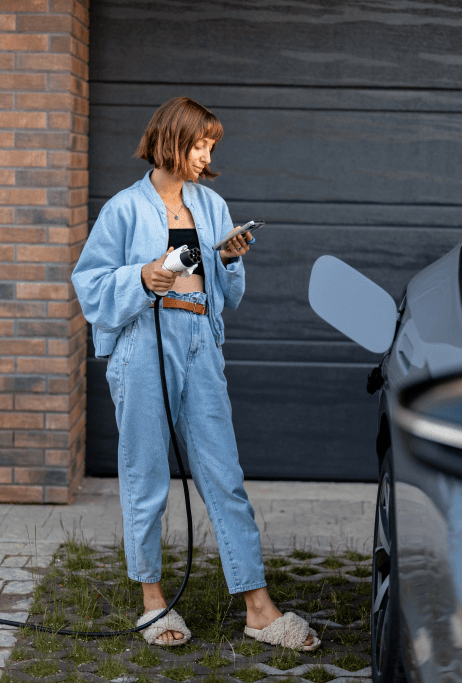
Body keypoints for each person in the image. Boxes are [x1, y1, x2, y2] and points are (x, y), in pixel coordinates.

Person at [71, 97, 320, 651]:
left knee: (223, 475)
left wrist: (230, 258)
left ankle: (259, 609)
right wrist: (141, 277)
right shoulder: (123, 209)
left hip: (200, 344)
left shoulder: (209, 205)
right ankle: (153, 603)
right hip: (145, 344)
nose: (206, 154)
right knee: (146, 475)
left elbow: (226, 296)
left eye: (211, 145)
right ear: (169, 141)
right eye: (199, 143)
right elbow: (89, 283)